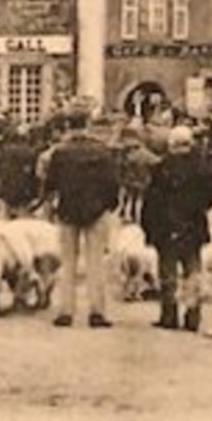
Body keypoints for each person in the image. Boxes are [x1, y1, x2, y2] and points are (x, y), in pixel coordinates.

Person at [45, 112, 121, 328]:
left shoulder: (60, 153)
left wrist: (52, 205)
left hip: (68, 209)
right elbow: (112, 182)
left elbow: (51, 183)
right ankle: (97, 311)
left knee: (67, 262)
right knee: (95, 261)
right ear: (88, 126)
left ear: (69, 127)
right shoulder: (102, 152)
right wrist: (109, 204)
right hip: (96, 210)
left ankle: (65, 311)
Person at [141, 126, 212, 332]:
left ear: (171, 145)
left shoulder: (162, 168)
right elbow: (209, 199)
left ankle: (169, 314)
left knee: (168, 272)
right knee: (193, 270)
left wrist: (148, 228)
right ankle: (193, 315)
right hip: (193, 226)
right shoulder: (203, 168)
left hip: (166, 227)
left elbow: (151, 202)